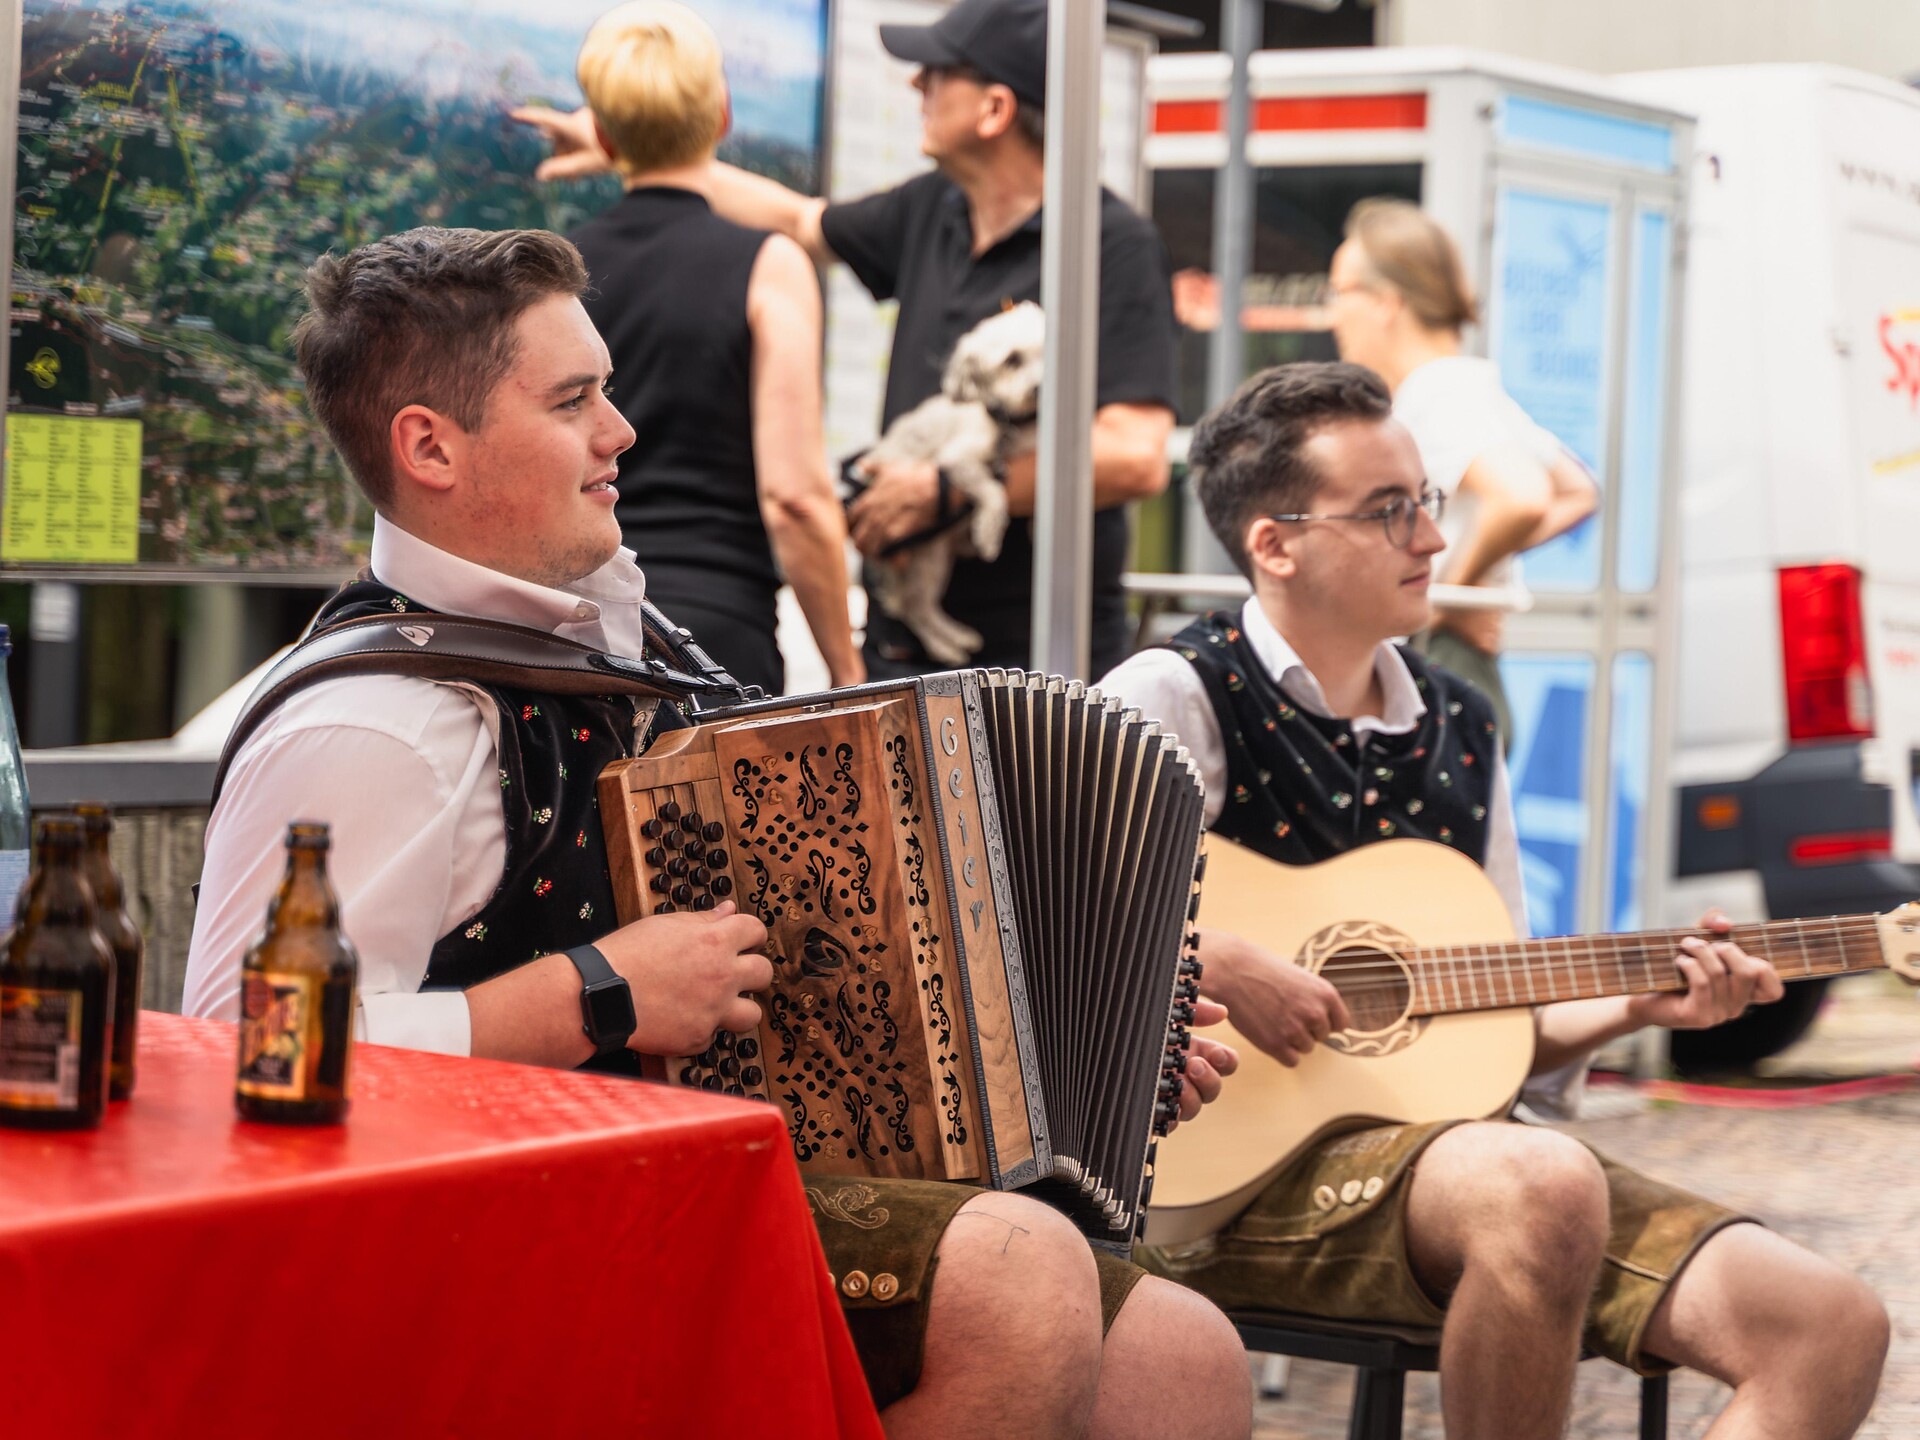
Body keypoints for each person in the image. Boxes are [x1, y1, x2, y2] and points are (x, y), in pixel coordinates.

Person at [182, 227, 1251, 1438]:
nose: (619, 432)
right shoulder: (374, 724)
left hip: (697, 1166)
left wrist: (1097, 1022)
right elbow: (232, 1060)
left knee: (1183, 1353)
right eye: (575, 399)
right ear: (429, 444)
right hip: (497, 1228)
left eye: (609, 391)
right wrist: (592, 994)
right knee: (1014, 1278)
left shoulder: (632, 646)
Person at [1100, 362, 1889, 1440]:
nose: (1433, 538)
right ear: (1273, 544)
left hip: (1458, 1163)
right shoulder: (1171, 694)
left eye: (1426, 500)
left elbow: (1494, 1017)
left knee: (1828, 1325)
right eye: (1389, 511)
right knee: (1542, 1182)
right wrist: (1211, 956)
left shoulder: (1461, 726)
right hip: (1213, 1182)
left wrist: (1641, 1005)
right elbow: (1022, 913)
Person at [515, 0, 1179, 682]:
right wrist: (642, 147)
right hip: (902, 646)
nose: (916, 87)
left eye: (936, 74)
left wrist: (952, 489)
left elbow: (1135, 456)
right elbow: (804, 219)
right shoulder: (929, 210)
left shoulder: (1108, 245)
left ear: (995, 110)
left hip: (1033, 652)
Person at [565, 1, 860, 694]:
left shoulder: (555, 277)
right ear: (723, 116)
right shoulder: (770, 265)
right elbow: (794, 498)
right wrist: (848, 669)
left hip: (579, 637)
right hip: (720, 645)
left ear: (603, 137)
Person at [1326, 198, 1599, 743]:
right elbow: (1575, 491)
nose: (1332, 312)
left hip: (1442, 661)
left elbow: (1523, 496)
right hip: (1465, 664)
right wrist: (1475, 579)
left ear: (1386, 301)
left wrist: (1446, 598)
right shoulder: (1468, 382)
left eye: (1339, 292)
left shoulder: (1436, 393)